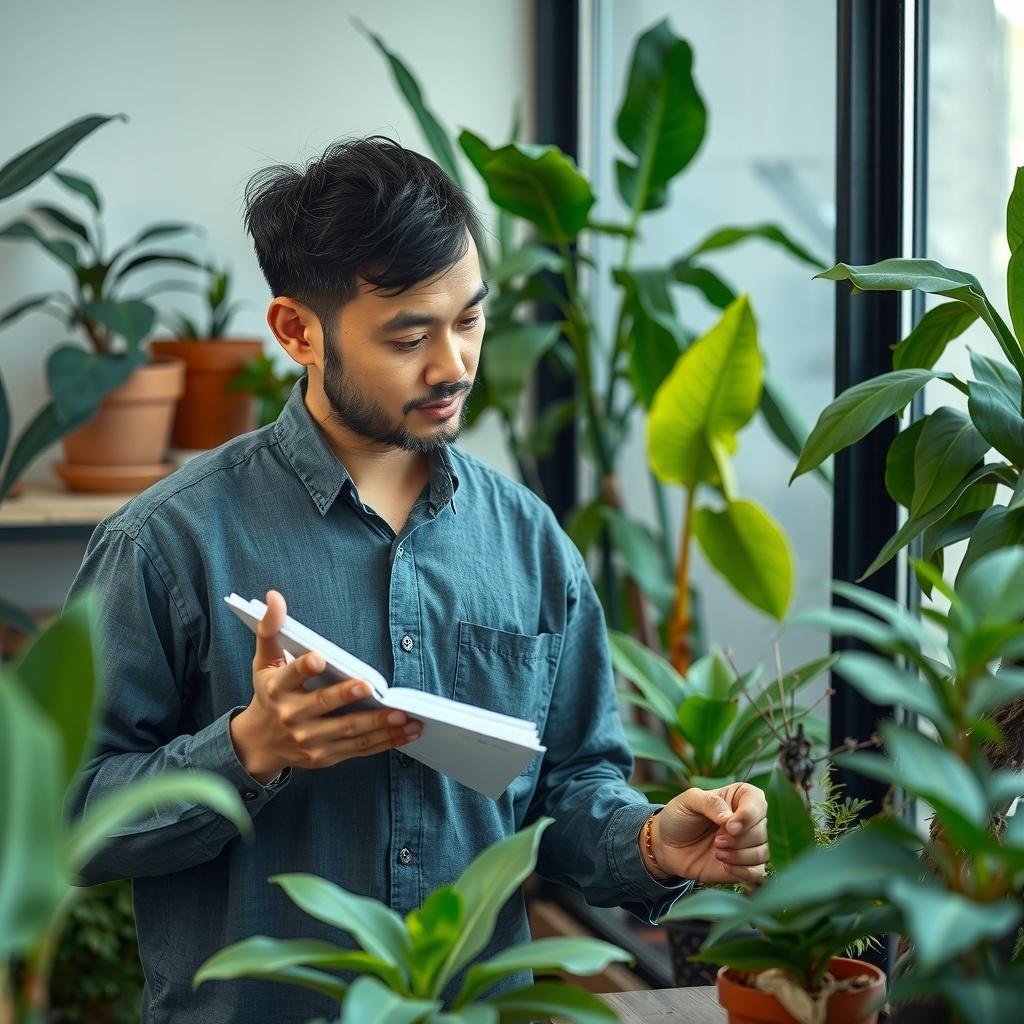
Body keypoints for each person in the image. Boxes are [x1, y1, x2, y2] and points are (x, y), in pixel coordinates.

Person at [66, 136, 768, 1023]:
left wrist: (653, 842)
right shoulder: (166, 543)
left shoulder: (530, 541)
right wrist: (250, 749)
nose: (455, 365)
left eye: (469, 320)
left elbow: (570, 783)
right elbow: (68, 821)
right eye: (409, 336)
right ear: (297, 332)